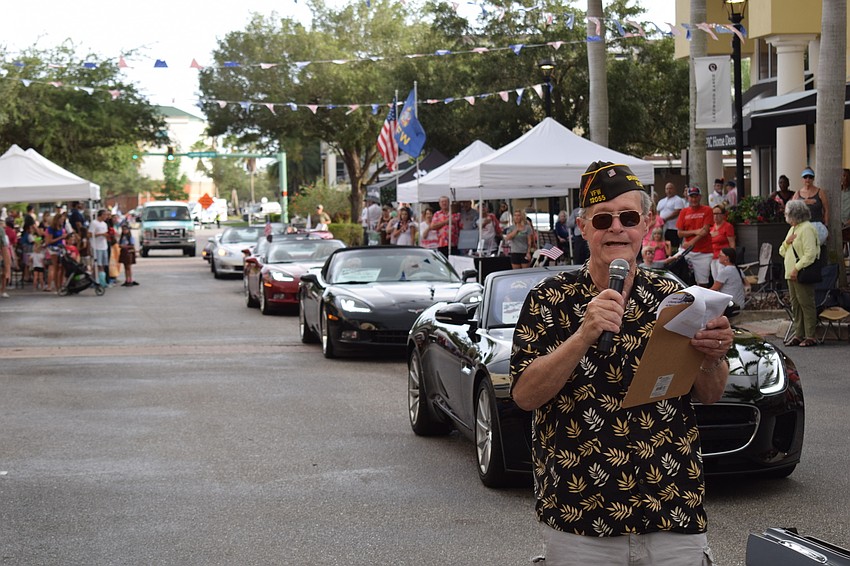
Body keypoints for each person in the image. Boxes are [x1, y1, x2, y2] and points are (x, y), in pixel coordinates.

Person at [510, 161, 731, 566]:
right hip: (581, 519)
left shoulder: (673, 296)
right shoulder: (549, 297)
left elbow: (711, 393)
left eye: (628, 217)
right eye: (602, 219)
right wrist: (583, 334)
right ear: (583, 228)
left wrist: (713, 357)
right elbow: (525, 395)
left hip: (672, 511)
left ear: (646, 223)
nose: (616, 228)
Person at [779, 199, 821, 348]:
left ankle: (810, 335)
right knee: (796, 305)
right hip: (790, 273)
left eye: (787, 213)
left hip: (801, 272)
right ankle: (799, 334)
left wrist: (796, 268)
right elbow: (781, 251)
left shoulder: (807, 228)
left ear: (795, 214)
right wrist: (787, 242)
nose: (785, 216)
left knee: (806, 303)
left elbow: (810, 254)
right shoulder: (793, 229)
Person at [677, 186, 714, 286]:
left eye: (696, 196)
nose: (694, 199)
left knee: (702, 282)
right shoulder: (684, 211)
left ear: (700, 197)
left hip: (703, 252)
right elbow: (679, 233)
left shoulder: (707, 210)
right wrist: (696, 231)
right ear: (688, 198)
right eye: (691, 197)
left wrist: (691, 243)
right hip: (686, 250)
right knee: (674, 268)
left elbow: (705, 231)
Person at [791, 167, 829, 245]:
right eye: (805, 177)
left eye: (810, 177)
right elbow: (792, 210)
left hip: (817, 226)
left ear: (813, 178)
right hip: (802, 226)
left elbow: (826, 209)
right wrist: (804, 202)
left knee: (817, 248)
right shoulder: (798, 194)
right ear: (802, 178)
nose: (808, 179)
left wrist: (826, 225)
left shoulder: (820, 192)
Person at [710, 247, 746, 311]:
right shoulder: (738, 270)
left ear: (727, 257)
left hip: (730, 305)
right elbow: (747, 284)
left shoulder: (725, 271)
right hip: (740, 303)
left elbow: (714, 289)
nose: (718, 256)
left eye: (720, 255)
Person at [709, 203, 736, 281]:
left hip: (723, 257)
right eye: (714, 214)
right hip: (713, 257)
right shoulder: (711, 227)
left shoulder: (727, 226)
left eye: (718, 214)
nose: (715, 216)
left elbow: (732, 243)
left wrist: (731, 258)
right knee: (715, 279)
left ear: (723, 215)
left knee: (722, 278)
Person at [656, 182, 685, 250]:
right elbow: (658, 212)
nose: (669, 190)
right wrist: (659, 221)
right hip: (662, 228)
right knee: (664, 246)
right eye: (667, 189)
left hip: (673, 228)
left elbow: (677, 212)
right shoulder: (661, 201)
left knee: (673, 247)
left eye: (670, 188)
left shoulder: (678, 200)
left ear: (674, 189)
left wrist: (665, 219)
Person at [44, 211, 68, 293]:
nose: (62, 221)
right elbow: (49, 241)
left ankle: (61, 284)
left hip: (60, 247)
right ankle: (57, 286)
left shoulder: (61, 228)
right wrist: (61, 237)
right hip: (53, 248)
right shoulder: (51, 229)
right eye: (61, 220)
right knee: (56, 267)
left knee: (62, 267)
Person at [90, 209, 110, 287]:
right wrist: (100, 234)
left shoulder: (104, 224)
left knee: (104, 264)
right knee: (98, 264)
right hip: (97, 246)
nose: (106, 216)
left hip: (104, 246)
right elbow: (90, 234)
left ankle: (102, 279)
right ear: (101, 215)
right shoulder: (94, 223)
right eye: (105, 215)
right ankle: (97, 280)